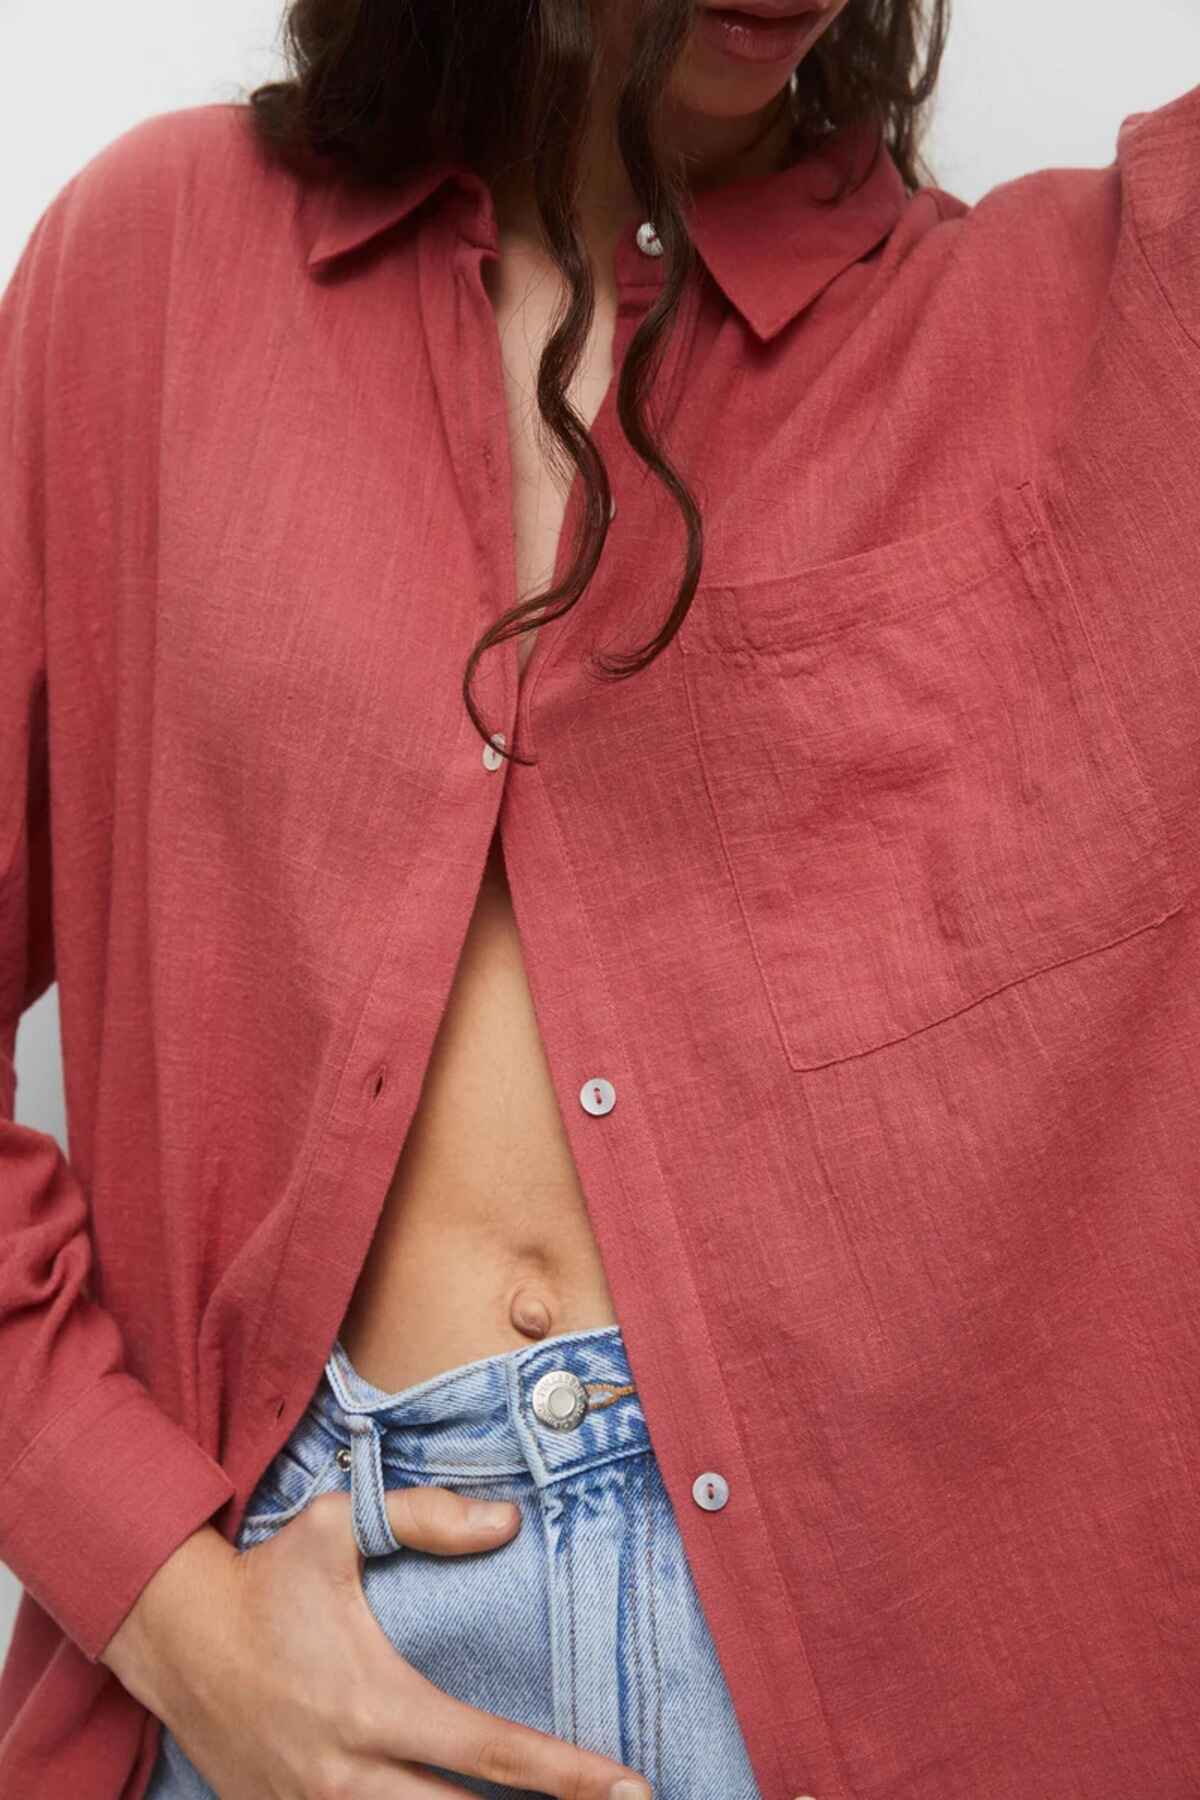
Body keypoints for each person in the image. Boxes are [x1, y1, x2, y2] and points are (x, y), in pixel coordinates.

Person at [2, 0, 1198, 1792]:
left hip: (893, 1682)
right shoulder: (152, 272)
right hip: (305, 1661)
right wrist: (177, 1617)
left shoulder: (1083, 324)